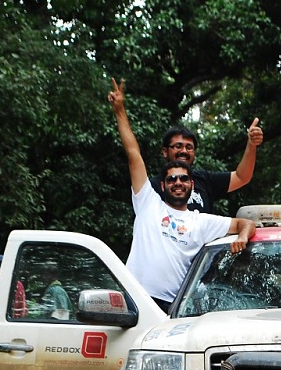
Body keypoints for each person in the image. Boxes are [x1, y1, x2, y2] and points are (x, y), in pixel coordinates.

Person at [108, 78, 257, 312]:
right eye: (172, 179)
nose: (178, 182)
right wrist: (119, 111)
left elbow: (245, 221)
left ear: (192, 184)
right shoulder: (148, 200)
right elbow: (133, 154)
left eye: (184, 179)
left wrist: (243, 237)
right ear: (162, 184)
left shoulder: (201, 220)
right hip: (135, 299)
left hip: (176, 305)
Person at [141, 105, 263, 214]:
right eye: (178, 146)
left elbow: (242, 177)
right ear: (165, 152)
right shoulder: (152, 187)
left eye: (189, 147)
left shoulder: (203, 179)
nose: (184, 151)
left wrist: (251, 145)